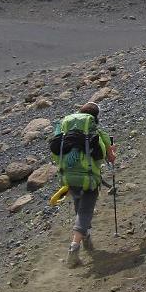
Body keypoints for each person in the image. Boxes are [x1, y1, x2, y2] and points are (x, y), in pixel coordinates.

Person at [50, 101, 116, 268]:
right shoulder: (97, 133)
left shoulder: (64, 131)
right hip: (88, 177)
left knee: (79, 207)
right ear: (95, 117)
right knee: (85, 211)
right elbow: (109, 157)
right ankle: (74, 247)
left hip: (68, 176)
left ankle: (87, 240)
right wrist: (111, 152)